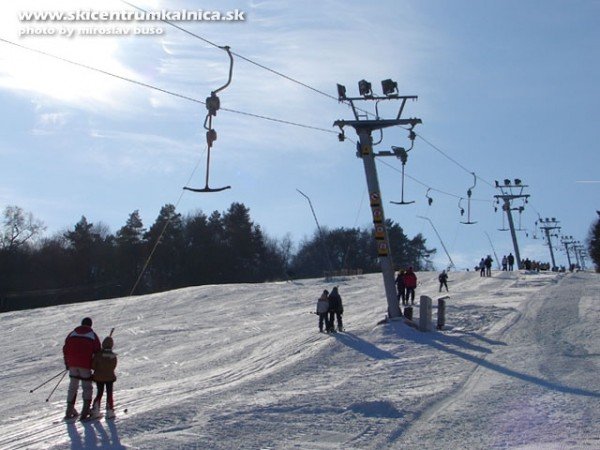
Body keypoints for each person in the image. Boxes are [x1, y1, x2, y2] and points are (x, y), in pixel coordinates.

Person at [63, 317, 101, 420]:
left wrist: (67, 363)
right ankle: (85, 412)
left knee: (72, 387)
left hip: (72, 364)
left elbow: (65, 349)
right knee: (87, 387)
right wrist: (96, 366)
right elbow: (98, 351)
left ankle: (69, 411)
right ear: (90, 325)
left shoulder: (72, 334)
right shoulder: (92, 335)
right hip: (85, 365)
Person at [91, 336, 118, 419]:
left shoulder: (98, 355)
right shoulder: (113, 356)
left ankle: (95, 410)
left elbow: (93, 366)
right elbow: (113, 366)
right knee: (109, 394)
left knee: (99, 392)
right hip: (110, 377)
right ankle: (110, 410)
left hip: (99, 377)